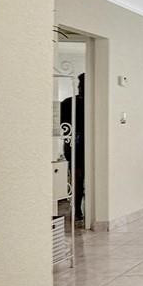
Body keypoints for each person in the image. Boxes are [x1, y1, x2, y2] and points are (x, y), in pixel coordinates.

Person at [59, 73, 86, 222]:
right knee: (77, 178)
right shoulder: (68, 103)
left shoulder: (68, 102)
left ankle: (78, 210)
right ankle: (77, 210)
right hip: (75, 146)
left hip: (76, 146)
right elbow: (62, 127)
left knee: (78, 179)